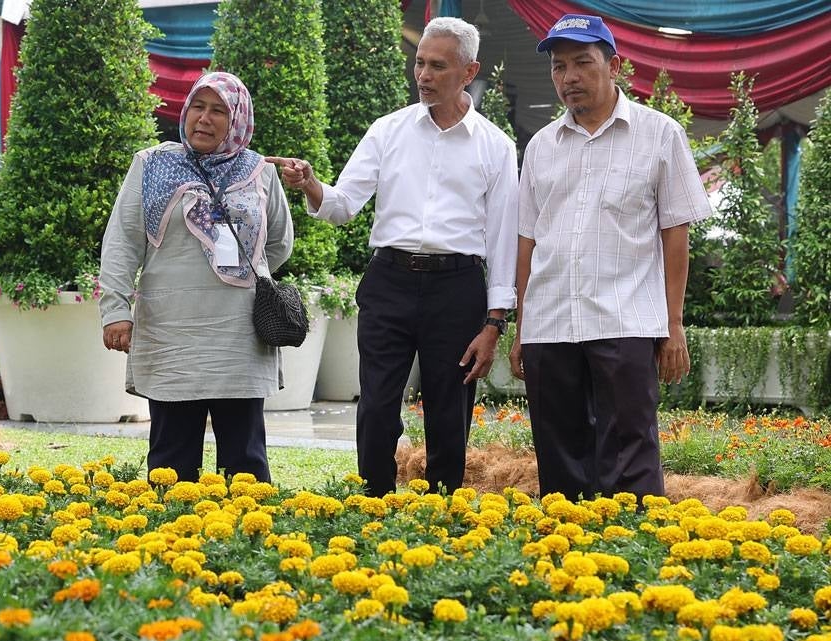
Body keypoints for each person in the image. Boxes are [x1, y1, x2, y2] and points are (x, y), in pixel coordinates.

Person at [268, 17, 518, 497]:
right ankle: (373, 502)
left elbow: (505, 240)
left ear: (469, 71)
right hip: (390, 281)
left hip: (458, 287)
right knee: (377, 406)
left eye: (437, 66)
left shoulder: (497, 147)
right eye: (420, 62)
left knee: (450, 410)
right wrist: (312, 184)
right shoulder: (388, 131)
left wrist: (494, 323)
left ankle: (444, 513)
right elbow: (341, 206)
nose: (423, 75)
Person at [509, 14, 713, 502]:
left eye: (582, 63)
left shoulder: (660, 135)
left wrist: (674, 324)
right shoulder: (541, 146)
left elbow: (675, 232)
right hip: (551, 323)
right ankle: (566, 562)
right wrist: (522, 328)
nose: (569, 77)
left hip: (625, 320)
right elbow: (527, 240)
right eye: (559, 67)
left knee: (630, 458)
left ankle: (633, 557)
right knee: (559, 461)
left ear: (614, 65)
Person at [99, 72, 294, 483]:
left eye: (219, 110)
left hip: (239, 333)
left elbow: (278, 244)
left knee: (245, 459)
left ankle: (247, 539)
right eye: (198, 107)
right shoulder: (150, 164)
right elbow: (121, 242)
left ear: (238, 118)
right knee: (171, 459)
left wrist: (235, 275)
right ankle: (166, 541)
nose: (204, 119)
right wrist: (115, 309)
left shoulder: (261, 172)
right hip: (172, 331)